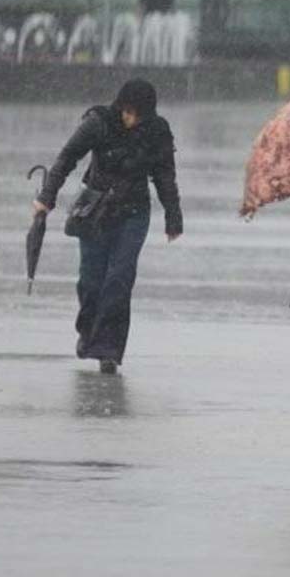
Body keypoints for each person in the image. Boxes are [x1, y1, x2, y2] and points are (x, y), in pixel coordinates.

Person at [32, 79, 183, 375]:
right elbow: (67, 157)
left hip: (134, 213)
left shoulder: (157, 131)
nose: (131, 120)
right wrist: (46, 197)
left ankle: (109, 350)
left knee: (120, 279)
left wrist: (173, 216)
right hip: (95, 211)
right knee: (91, 280)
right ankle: (88, 332)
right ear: (119, 107)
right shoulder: (98, 122)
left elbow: (165, 176)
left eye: (137, 115)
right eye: (127, 112)